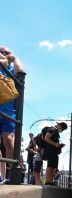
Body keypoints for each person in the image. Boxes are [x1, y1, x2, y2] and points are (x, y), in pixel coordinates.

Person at [0, 46, 24, 184]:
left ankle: (10, 174)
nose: (3, 54)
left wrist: (14, 58)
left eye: (6, 52)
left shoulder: (12, 70)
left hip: (9, 113)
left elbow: (21, 71)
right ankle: (0, 175)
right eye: (1, 52)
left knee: (8, 140)